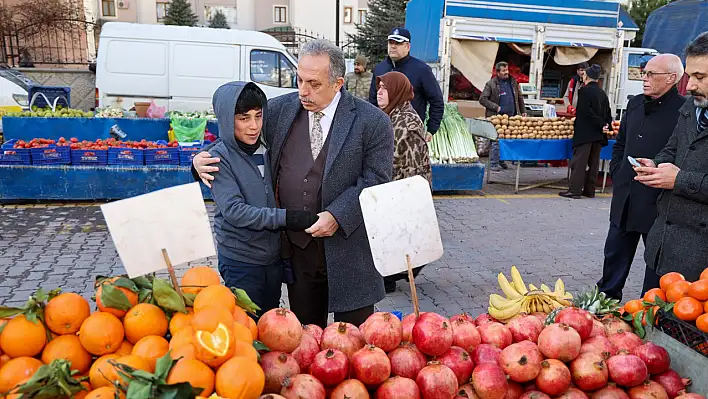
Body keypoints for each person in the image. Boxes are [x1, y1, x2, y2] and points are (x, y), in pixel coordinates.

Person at [193, 39, 395, 328]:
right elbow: (232, 137)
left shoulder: (371, 121)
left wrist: (338, 216)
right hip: (298, 251)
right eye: (299, 79)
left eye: (314, 83)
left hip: (350, 252)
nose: (303, 90)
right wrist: (196, 161)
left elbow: (376, 180)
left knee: (356, 341)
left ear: (338, 83)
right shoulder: (277, 111)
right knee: (306, 340)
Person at [204, 82, 318, 318]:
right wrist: (286, 218)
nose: (253, 126)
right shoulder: (217, 159)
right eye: (243, 118)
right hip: (241, 261)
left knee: (269, 323)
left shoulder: (266, 147)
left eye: (258, 116)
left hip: (272, 258)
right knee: (246, 327)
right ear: (226, 119)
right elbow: (235, 210)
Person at [597, 54, 685, 300]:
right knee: (614, 254)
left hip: (657, 201)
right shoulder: (634, 104)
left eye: (650, 74)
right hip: (625, 196)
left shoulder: (684, 111)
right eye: (643, 73)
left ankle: (651, 311)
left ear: (671, 78)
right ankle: (605, 302)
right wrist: (617, 170)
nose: (643, 79)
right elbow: (621, 143)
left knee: (656, 264)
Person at [634, 32, 708, 286]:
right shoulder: (692, 106)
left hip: (699, 264)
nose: (689, 86)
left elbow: (681, 177)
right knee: (650, 317)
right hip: (663, 247)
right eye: (690, 76)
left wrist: (679, 180)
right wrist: (655, 164)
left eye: (700, 77)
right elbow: (672, 147)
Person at [375, 71, 432, 293]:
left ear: (397, 91)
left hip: (401, 189)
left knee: (394, 234)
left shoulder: (405, 121)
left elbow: (404, 163)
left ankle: (396, 272)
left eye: (385, 88)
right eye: (379, 87)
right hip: (393, 187)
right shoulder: (391, 115)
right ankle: (395, 271)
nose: (379, 92)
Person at [369, 27, 444, 142]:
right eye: (391, 42)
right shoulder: (380, 69)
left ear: (407, 47)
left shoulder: (421, 70)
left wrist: (431, 129)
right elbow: (373, 100)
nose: (393, 46)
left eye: (398, 43)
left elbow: (436, 100)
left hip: (410, 133)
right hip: (382, 132)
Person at [559, 64, 612, 199]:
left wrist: (601, 123)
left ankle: (575, 190)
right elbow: (608, 113)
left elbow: (585, 113)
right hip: (598, 135)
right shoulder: (602, 93)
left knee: (579, 163)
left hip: (585, 134)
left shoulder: (584, 91)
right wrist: (606, 125)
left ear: (587, 76)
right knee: (593, 164)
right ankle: (590, 190)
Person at [479, 61, 526, 170]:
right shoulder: (491, 84)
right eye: (504, 71)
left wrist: (522, 111)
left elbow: (519, 98)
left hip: (512, 117)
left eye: (507, 70)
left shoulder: (513, 82)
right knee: (496, 140)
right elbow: (482, 99)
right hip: (497, 117)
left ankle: (501, 160)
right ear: (497, 72)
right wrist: (496, 107)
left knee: (506, 140)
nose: (506, 72)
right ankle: (493, 163)